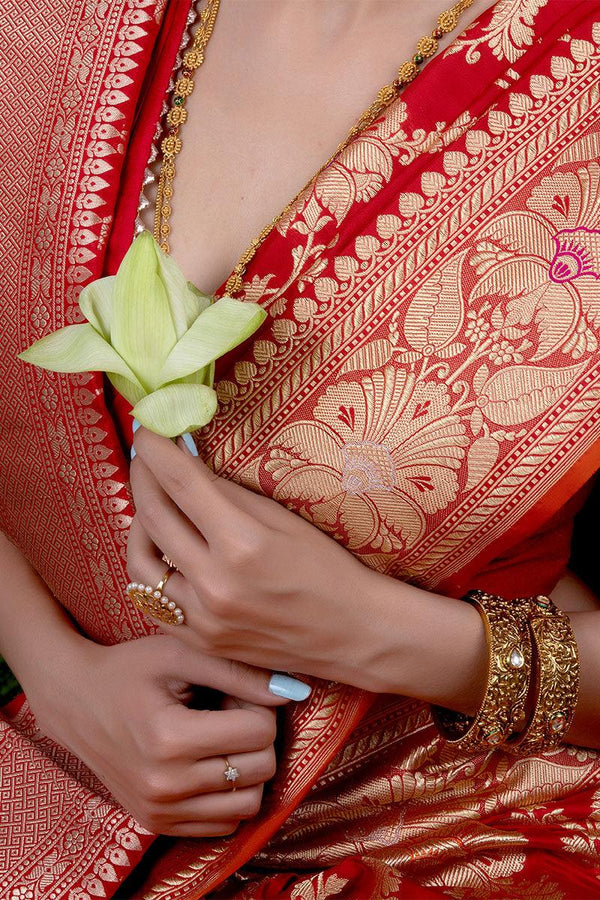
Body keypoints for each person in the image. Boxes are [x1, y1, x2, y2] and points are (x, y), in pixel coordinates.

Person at [2, 0, 600, 897]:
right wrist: (54, 671)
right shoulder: (49, 26)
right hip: (49, 776)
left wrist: (393, 638)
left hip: (447, 834)